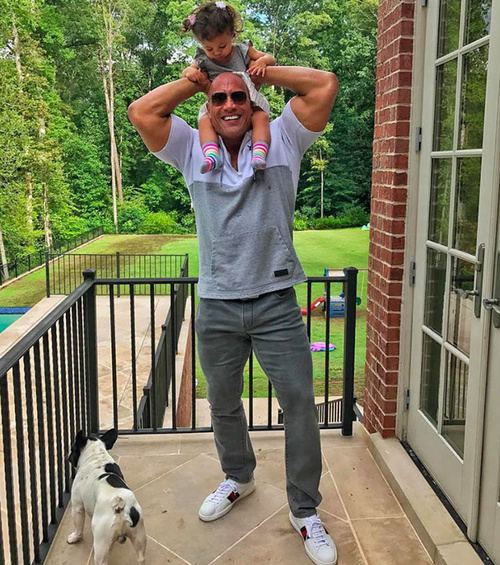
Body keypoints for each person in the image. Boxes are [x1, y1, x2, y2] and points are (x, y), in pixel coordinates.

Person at [128, 63, 339, 565]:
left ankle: (304, 509)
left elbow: (324, 85)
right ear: (208, 105)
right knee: (222, 403)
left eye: (238, 97)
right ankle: (239, 478)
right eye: (218, 98)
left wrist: (257, 73)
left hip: (277, 302)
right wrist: (197, 80)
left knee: (300, 405)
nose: (228, 105)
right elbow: (142, 111)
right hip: (217, 303)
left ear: (252, 102)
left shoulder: (283, 137)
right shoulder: (190, 147)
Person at [181, 1, 275, 173]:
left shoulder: (242, 50)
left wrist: (261, 62)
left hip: (249, 102)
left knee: (261, 117)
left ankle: (259, 152)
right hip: (218, 108)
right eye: (209, 48)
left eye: (222, 46)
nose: (216, 52)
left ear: (232, 34)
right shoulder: (203, 58)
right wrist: (190, 73)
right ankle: (211, 154)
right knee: (204, 121)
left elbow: (270, 58)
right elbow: (187, 71)